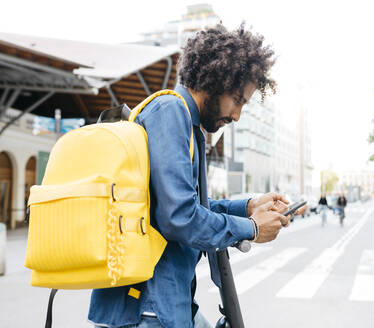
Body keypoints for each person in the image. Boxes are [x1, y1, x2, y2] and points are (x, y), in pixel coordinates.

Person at [88, 24, 290, 328]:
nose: (237, 116)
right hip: (147, 308)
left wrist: (249, 205)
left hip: (168, 301)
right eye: (238, 100)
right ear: (216, 80)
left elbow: (194, 207)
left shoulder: (190, 125)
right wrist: (251, 228)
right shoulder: (171, 112)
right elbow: (179, 217)